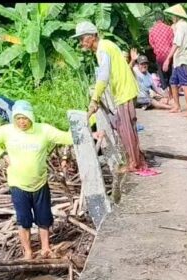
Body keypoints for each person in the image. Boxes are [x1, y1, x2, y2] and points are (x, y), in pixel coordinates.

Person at [0, 100, 74, 260]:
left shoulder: (43, 130)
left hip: (40, 182)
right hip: (18, 184)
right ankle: (28, 252)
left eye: (24, 118)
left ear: (31, 117)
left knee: (44, 217)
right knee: (23, 219)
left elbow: (67, 138)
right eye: (18, 118)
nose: (21, 122)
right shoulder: (7, 131)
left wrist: (90, 130)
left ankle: (45, 248)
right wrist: (3, 154)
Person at [73, 21, 157, 176]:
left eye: (82, 38)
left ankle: (135, 163)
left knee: (126, 130)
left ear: (92, 36)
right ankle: (136, 159)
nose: (81, 42)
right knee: (126, 128)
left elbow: (103, 75)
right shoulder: (107, 45)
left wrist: (95, 99)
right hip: (124, 90)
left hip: (124, 92)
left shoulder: (103, 49)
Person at [162, 4, 187, 117]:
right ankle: (177, 106)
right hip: (181, 59)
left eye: (173, 16)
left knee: (185, 83)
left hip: (181, 59)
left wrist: (168, 59)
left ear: (176, 16)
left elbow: (176, 43)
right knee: (173, 82)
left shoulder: (180, 26)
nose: (172, 18)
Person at [148, 11, 174, 90]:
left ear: (156, 20)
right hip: (169, 56)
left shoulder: (152, 30)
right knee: (171, 76)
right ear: (163, 19)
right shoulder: (169, 28)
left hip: (159, 57)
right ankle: (173, 92)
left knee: (163, 77)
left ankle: (166, 92)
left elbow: (152, 43)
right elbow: (172, 42)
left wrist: (157, 49)